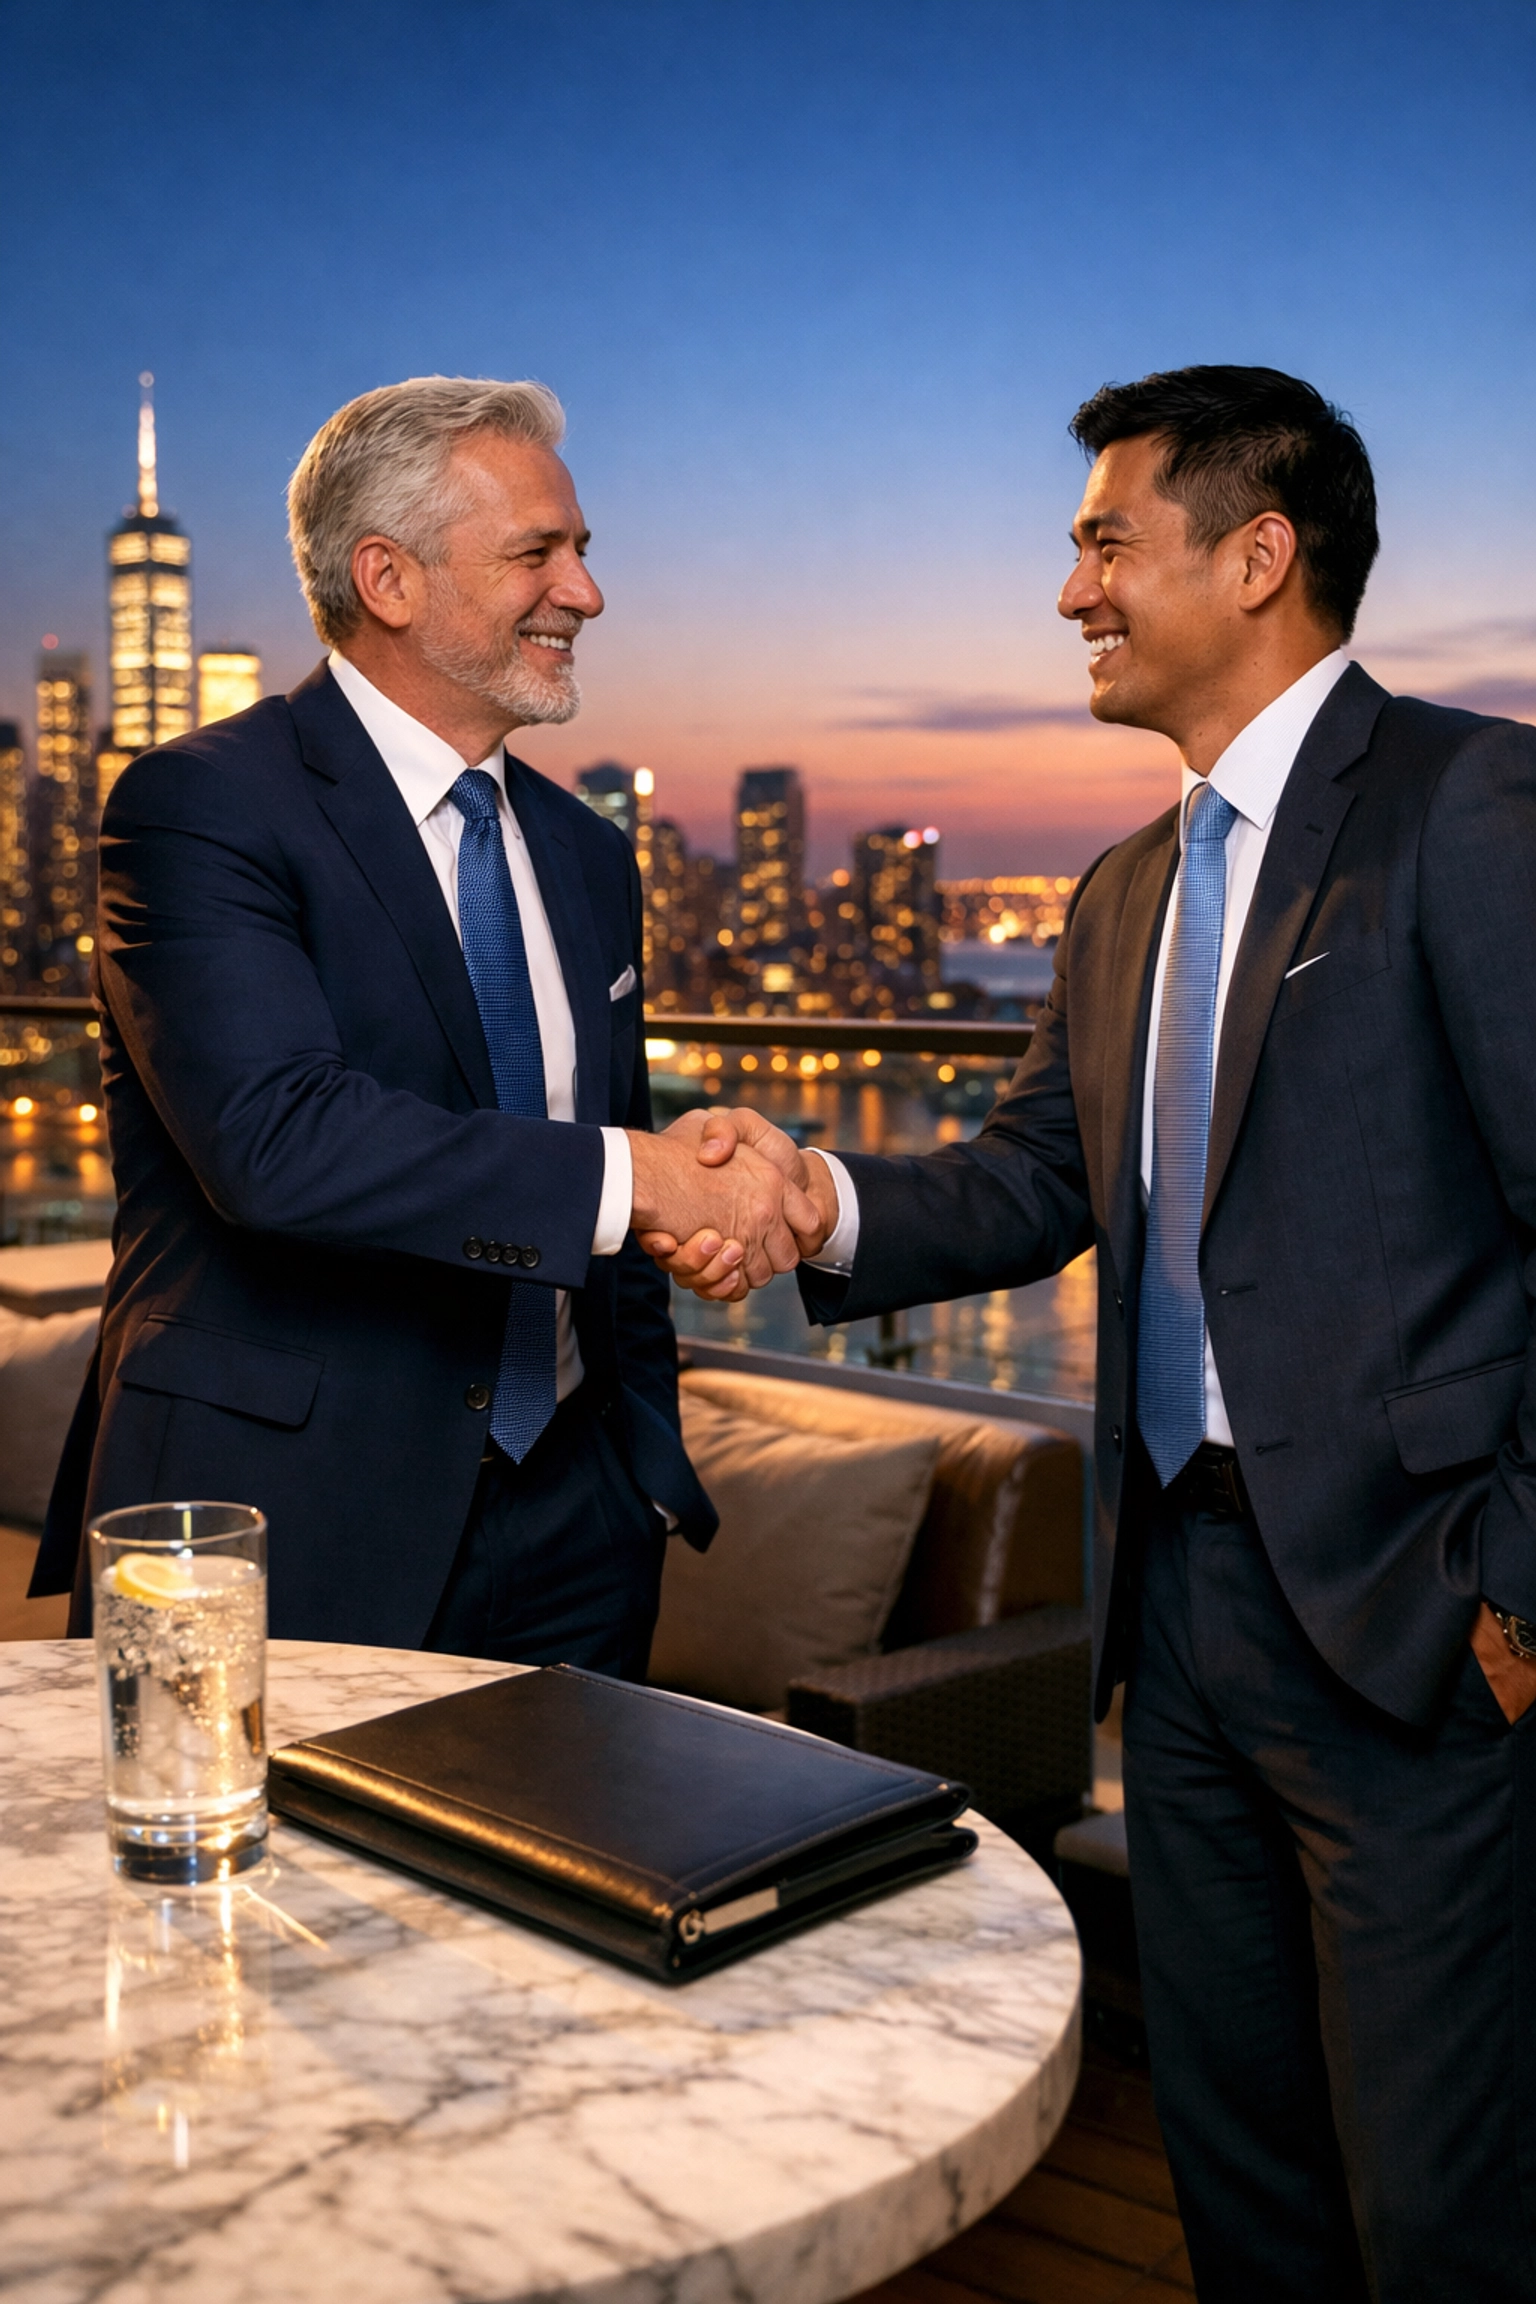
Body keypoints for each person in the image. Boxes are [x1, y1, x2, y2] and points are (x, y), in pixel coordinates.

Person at [651, 367, 1536, 2299]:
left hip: (1416, 1614)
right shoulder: (1127, 887)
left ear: (1259, 554)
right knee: (1240, 2162)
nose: (1072, 591)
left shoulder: (1476, 804)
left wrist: (1515, 1593)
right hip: (1176, 1602)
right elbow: (1037, 1173)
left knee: (1447, 2201)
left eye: (1105, 541)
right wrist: (814, 1197)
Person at [32, 374, 814, 1678]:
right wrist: (643, 1178)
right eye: (538, 554)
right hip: (285, 1522)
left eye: (583, 551)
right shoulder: (197, 808)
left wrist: (640, 1461)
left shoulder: (587, 856)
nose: (586, 592)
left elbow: (594, 1173)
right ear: (387, 580)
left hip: (578, 1527)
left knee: (561, 1885)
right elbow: (278, 1141)